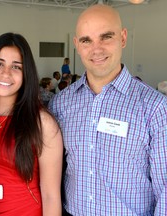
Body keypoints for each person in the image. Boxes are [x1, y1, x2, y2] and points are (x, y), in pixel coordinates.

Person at [49, 5, 167, 216]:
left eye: (106, 37)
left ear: (122, 38)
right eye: (86, 40)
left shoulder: (155, 108)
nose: (97, 49)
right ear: (77, 45)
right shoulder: (61, 104)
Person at [0, 32, 63, 216]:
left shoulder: (42, 123)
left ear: (26, 73)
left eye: (16, 67)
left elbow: (51, 195)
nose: (6, 73)